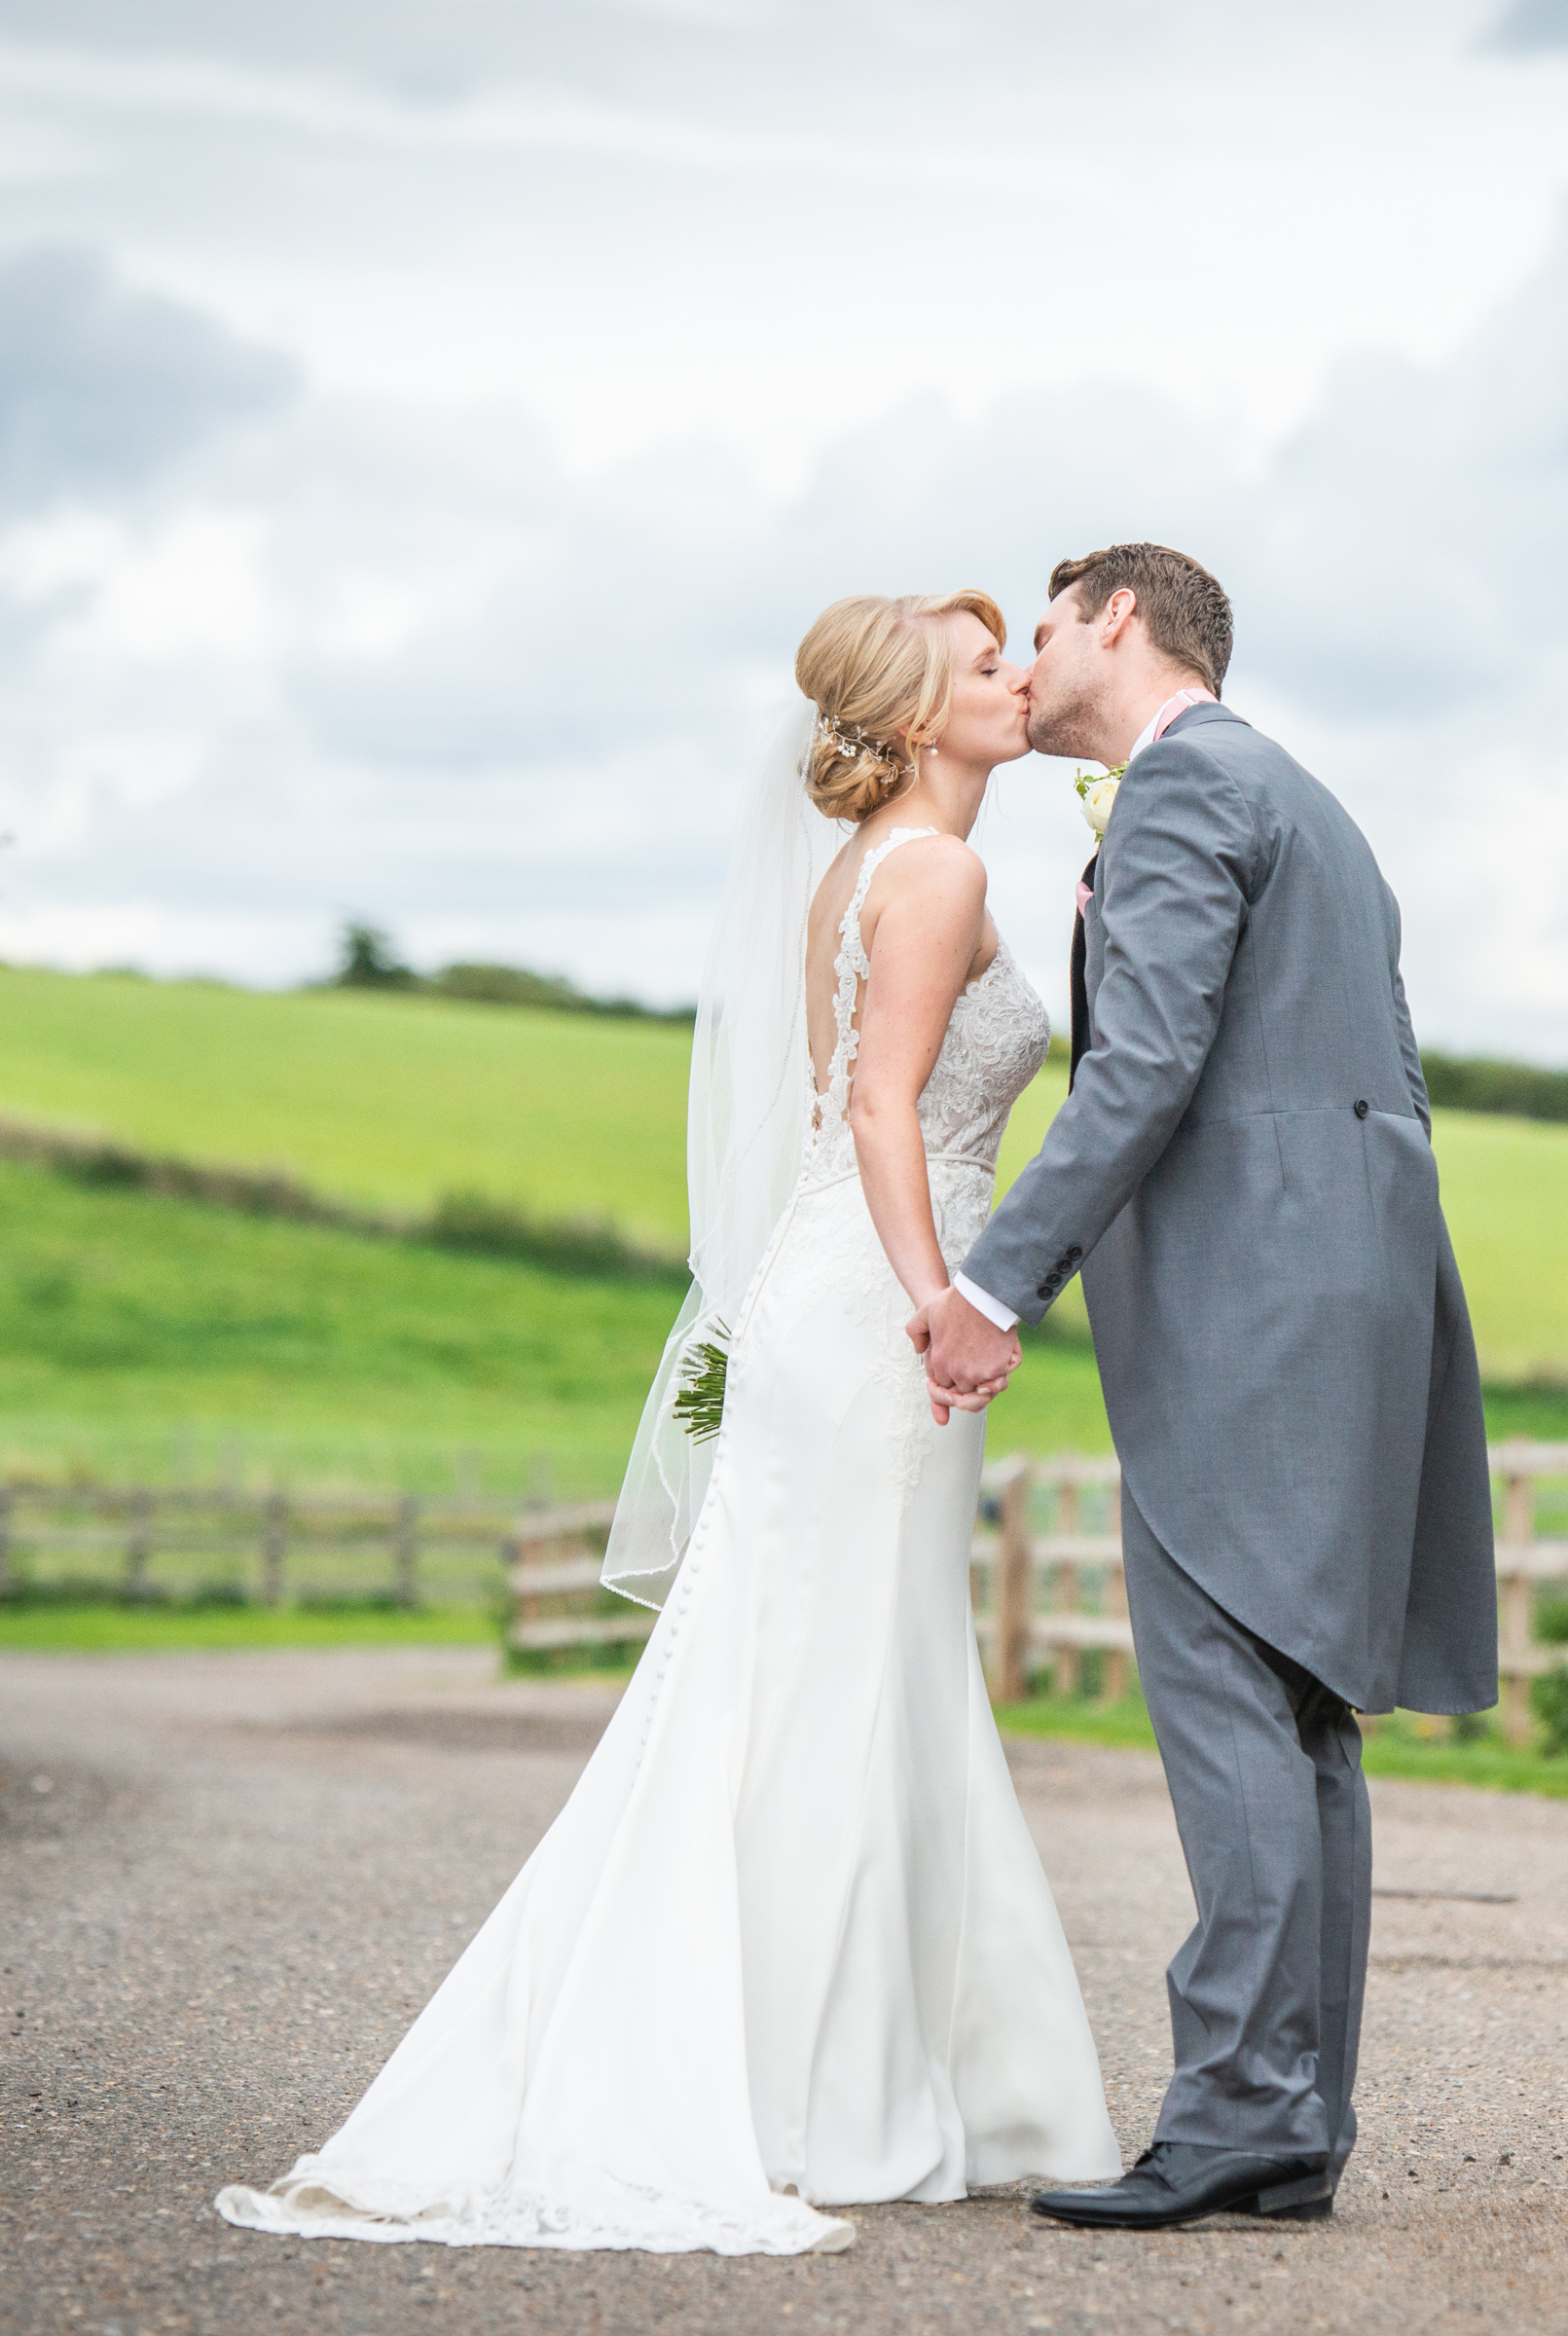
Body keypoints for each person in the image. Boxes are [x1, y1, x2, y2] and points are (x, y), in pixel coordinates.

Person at [213, 589, 1119, 2256]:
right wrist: (947, 1299)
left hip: (826, 1298)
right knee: (843, 1677)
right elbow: (876, 1106)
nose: (1021, 681)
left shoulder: (860, 873)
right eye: (993, 668)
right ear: (925, 721)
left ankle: (869, 2077)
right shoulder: (934, 871)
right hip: (871, 1310)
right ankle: (809, 2097)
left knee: (841, 1669)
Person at [911, 543, 1498, 2232]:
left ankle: (1239, 2105)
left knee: (1232, 1690)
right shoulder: (1303, 796)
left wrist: (990, 1279)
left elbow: (1149, 1063)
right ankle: (1293, 2121)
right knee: (1305, 1713)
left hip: (1253, 1309)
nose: (1026, 665)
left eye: (1041, 630)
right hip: (1356, 1292)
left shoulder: (1182, 795)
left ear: (1118, 618)